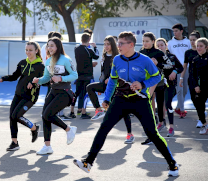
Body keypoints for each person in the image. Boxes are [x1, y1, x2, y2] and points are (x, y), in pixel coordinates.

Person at [73, 31, 179, 177]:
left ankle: (172, 164)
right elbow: (112, 80)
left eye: (121, 43)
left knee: (152, 134)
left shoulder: (145, 60)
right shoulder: (117, 59)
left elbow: (157, 77)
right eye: (118, 43)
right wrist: (107, 99)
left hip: (140, 100)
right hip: (120, 99)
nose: (118, 46)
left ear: (131, 45)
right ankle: (88, 162)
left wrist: (143, 84)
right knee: (103, 128)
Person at [32, 37, 78, 155]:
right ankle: (47, 146)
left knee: (48, 114)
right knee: (44, 116)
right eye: (48, 46)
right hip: (53, 91)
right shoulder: (48, 61)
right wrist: (38, 80)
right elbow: (46, 78)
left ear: (58, 47)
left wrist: (61, 78)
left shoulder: (66, 59)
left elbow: (74, 75)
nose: (49, 48)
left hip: (65, 92)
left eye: (52, 45)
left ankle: (69, 129)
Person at [0, 41, 45, 151]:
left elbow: (45, 81)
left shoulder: (41, 66)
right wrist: (3, 78)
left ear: (36, 51)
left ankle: (34, 128)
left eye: (30, 50)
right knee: (12, 117)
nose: (28, 52)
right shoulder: (23, 63)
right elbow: (15, 76)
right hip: (18, 94)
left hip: (30, 97)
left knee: (17, 115)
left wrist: (34, 83)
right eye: (26, 50)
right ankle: (14, 143)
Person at [86, 35, 134, 144]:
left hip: (116, 87)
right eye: (105, 44)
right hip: (105, 85)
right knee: (90, 87)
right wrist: (101, 84)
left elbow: (122, 72)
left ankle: (130, 134)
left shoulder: (118, 57)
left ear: (113, 44)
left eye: (108, 44)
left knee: (124, 112)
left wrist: (112, 79)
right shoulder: (103, 57)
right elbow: (103, 73)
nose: (106, 46)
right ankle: (98, 110)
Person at [139, 32, 166, 145]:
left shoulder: (159, 53)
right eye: (143, 41)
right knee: (147, 108)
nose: (145, 43)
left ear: (152, 42)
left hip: (158, 83)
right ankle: (151, 134)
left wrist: (158, 64)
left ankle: (160, 122)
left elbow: (169, 65)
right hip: (145, 84)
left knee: (159, 104)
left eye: (147, 41)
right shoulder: (140, 53)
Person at [67, 32, 99, 119]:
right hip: (87, 75)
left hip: (79, 74)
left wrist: (89, 63)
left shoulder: (76, 48)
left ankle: (72, 111)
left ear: (81, 40)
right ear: (89, 40)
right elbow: (97, 56)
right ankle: (83, 112)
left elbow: (83, 60)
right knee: (85, 94)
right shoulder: (89, 50)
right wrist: (95, 47)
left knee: (77, 93)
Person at [155, 38, 183, 137]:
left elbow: (180, 67)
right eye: (157, 45)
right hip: (159, 84)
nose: (160, 47)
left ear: (166, 45)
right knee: (159, 103)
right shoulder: (155, 58)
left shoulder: (171, 57)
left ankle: (171, 127)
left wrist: (174, 72)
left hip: (170, 84)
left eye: (161, 45)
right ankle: (161, 123)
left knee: (168, 104)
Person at [179, 31, 202, 127]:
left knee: (201, 99)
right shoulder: (188, 52)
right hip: (191, 79)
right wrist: (181, 78)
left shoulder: (202, 51)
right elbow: (184, 67)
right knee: (194, 99)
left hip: (202, 79)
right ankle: (201, 115)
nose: (192, 42)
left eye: (194, 40)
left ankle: (201, 120)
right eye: (191, 40)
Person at [168, 23, 192, 117]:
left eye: (176, 31)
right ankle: (182, 110)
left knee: (185, 90)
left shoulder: (188, 42)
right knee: (180, 90)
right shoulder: (170, 43)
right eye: (173, 31)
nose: (175, 33)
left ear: (181, 31)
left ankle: (178, 107)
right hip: (176, 69)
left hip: (187, 68)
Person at [190, 37, 208, 135]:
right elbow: (193, 75)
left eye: (201, 46)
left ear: (206, 47)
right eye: (197, 46)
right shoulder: (195, 59)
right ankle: (205, 125)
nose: (199, 48)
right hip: (200, 88)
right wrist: (196, 86)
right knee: (199, 106)